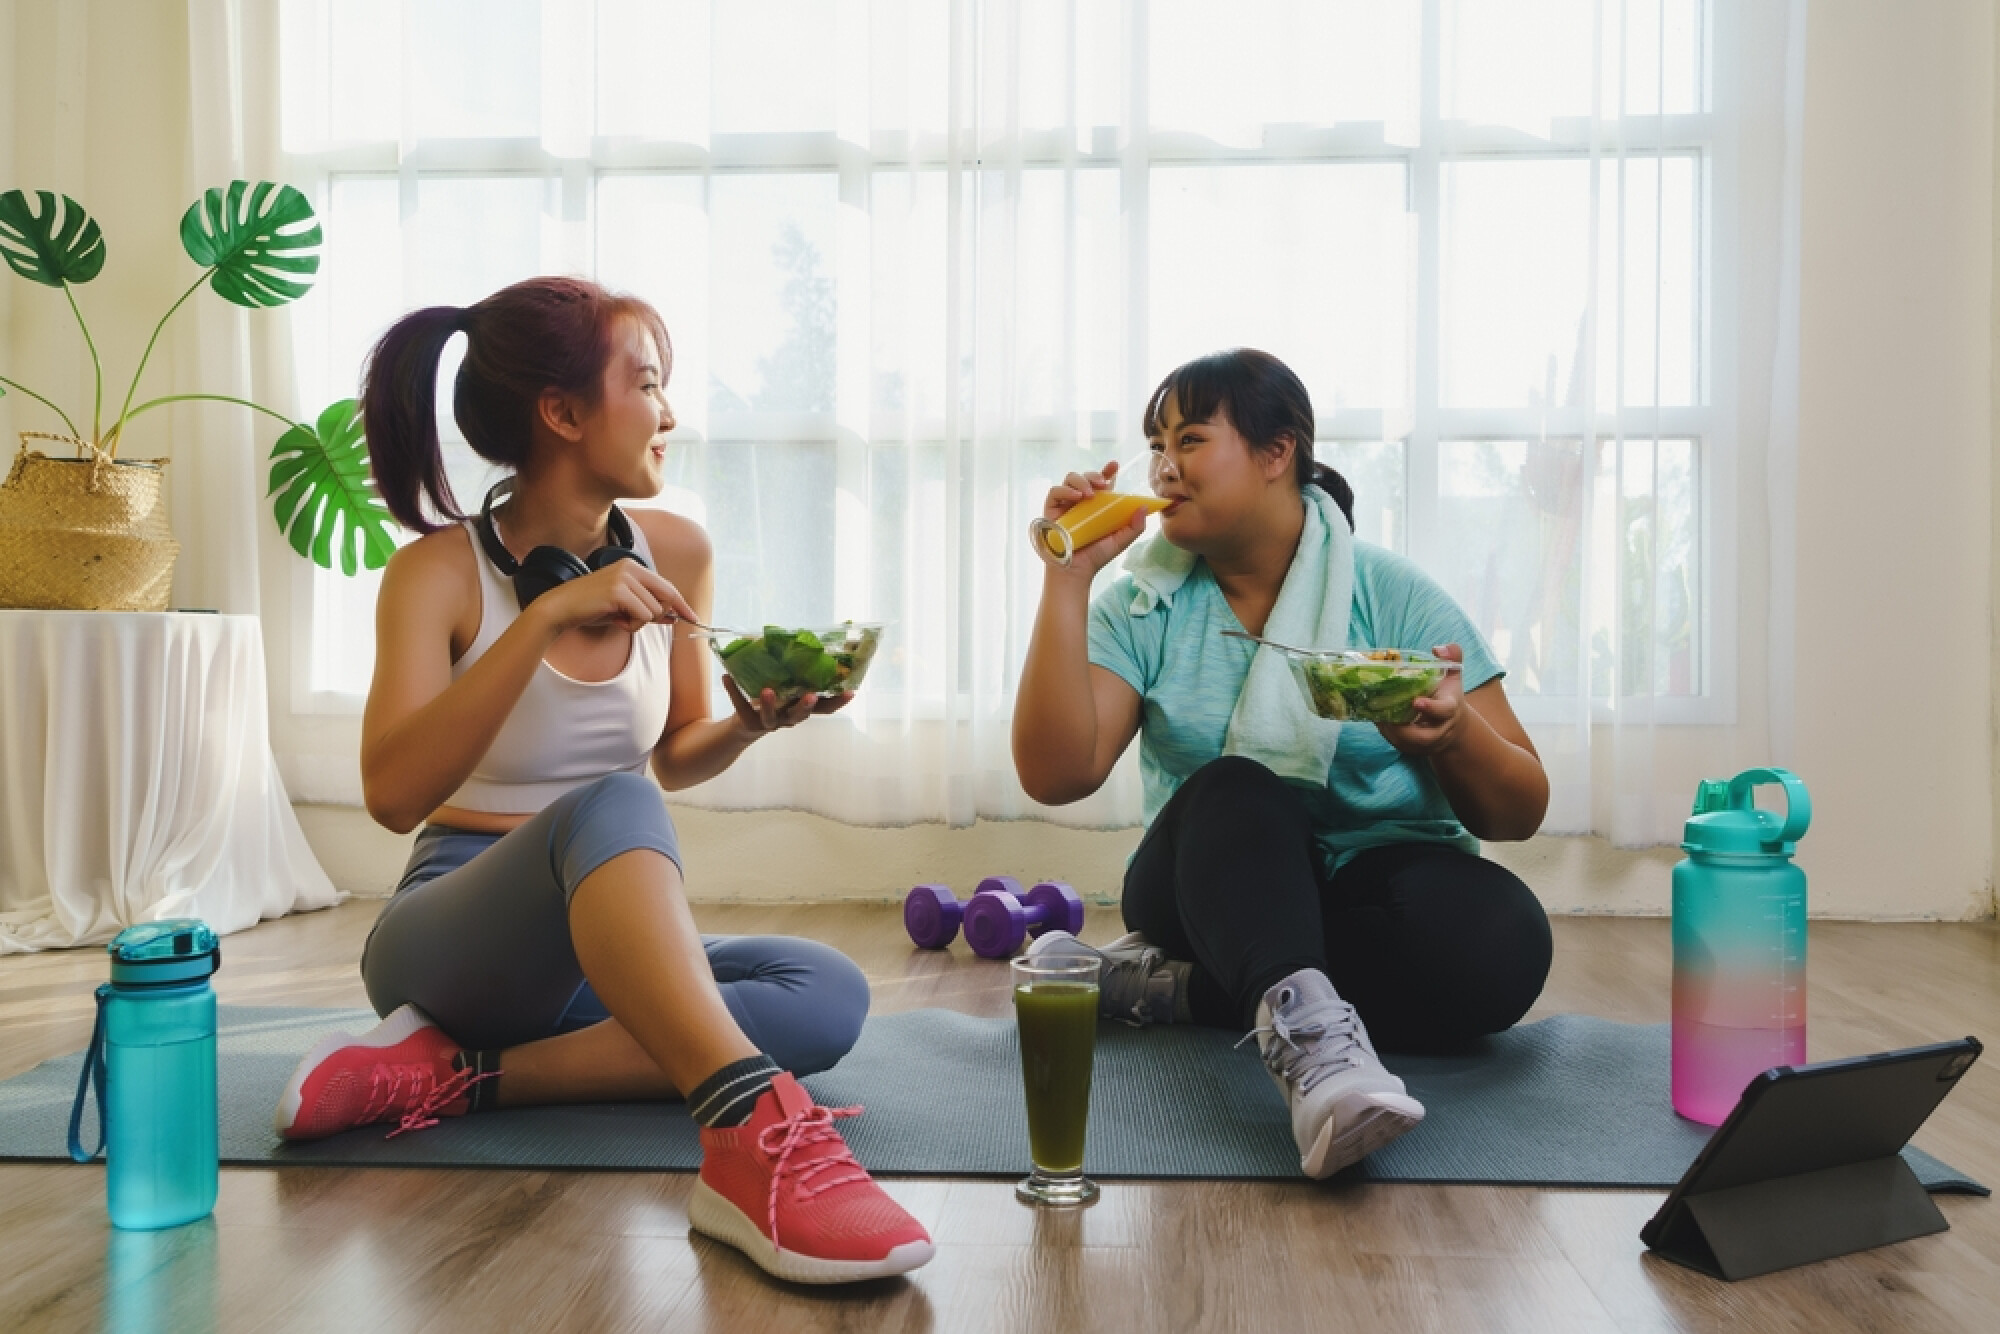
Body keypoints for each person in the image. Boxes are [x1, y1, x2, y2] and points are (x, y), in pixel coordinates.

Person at [270, 276, 931, 1285]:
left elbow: (677, 750)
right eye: (649, 385)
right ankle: (745, 1129)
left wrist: (748, 725)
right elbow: (393, 794)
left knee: (826, 991)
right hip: (453, 927)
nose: (671, 414)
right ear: (563, 411)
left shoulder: (676, 552)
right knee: (620, 802)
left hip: (602, 935)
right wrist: (540, 615)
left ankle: (453, 1075)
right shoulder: (438, 576)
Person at [1012, 348, 1554, 1179]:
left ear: (1278, 453)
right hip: (1209, 883)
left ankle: (1179, 992)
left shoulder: (1394, 594)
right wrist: (1068, 580)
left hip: (1371, 886)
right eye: (1157, 445)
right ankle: (1320, 1060)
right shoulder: (1144, 605)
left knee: (1505, 944)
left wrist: (1454, 739)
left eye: (1189, 439)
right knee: (1239, 786)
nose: (1162, 467)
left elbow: (1518, 812)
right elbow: (1057, 773)